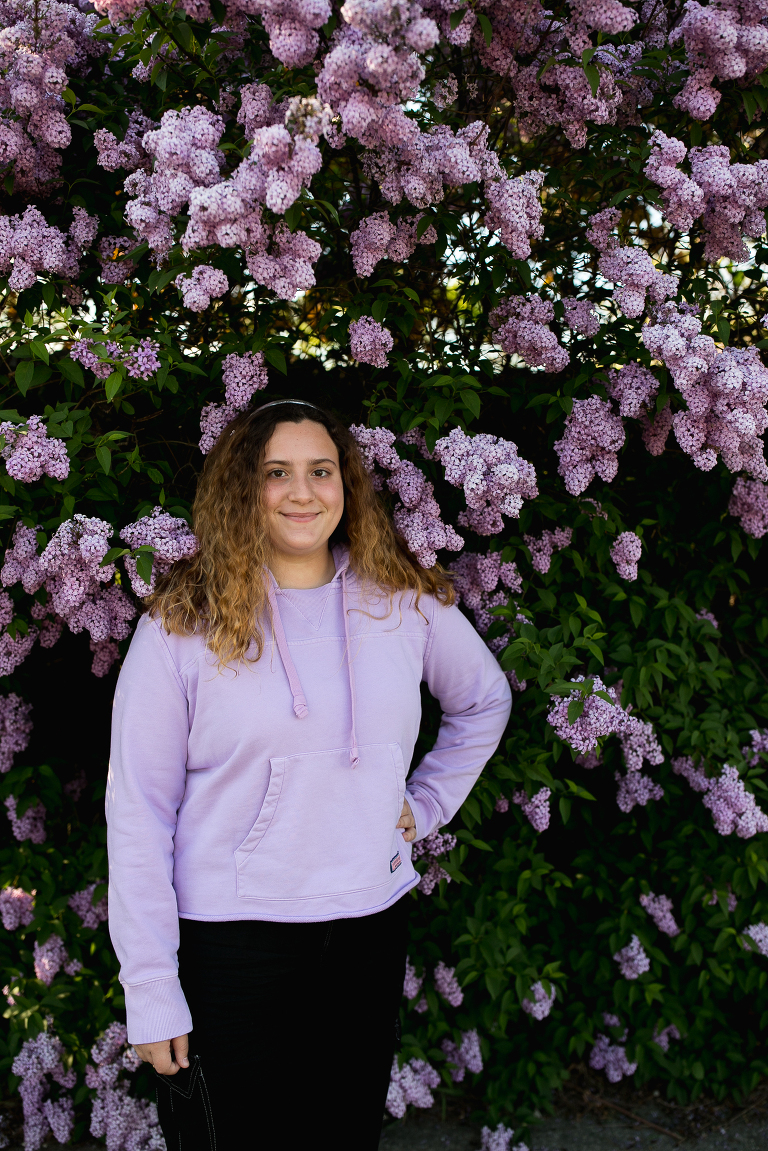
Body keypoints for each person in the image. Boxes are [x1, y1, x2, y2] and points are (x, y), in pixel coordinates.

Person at [106, 399, 512, 1150]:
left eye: (321, 471)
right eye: (276, 473)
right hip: (231, 944)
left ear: (345, 484)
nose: (302, 492)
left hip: (365, 932)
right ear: (242, 489)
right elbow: (139, 811)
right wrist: (152, 986)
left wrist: (424, 805)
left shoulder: (402, 602)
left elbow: (485, 699)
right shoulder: (182, 623)